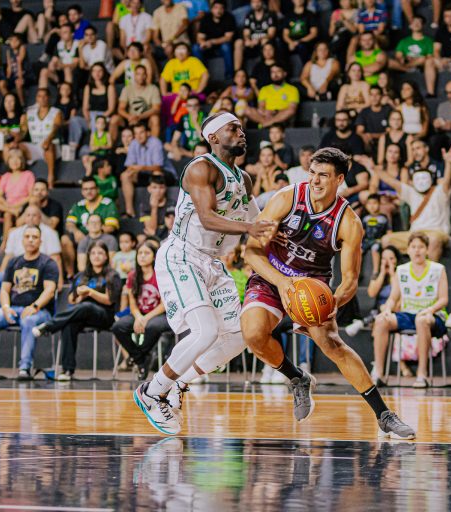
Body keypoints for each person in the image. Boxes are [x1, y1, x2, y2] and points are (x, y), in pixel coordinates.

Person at [238, 146, 415, 440]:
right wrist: (282, 282)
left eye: (323, 175)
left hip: (312, 283)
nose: (315, 180)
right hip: (272, 275)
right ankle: (297, 378)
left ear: (339, 179)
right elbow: (252, 252)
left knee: (332, 344)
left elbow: (350, 279)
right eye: (312, 173)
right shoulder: (287, 198)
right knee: (253, 334)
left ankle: (384, 415)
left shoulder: (349, 222)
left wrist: (335, 301)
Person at [133, 112, 274, 436]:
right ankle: (152, 391)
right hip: (183, 256)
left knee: (240, 336)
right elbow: (208, 218)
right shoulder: (201, 167)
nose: (241, 133)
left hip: (213, 262)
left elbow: (259, 221)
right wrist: (249, 228)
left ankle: (179, 382)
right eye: (233, 128)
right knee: (205, 331)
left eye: (241, 128)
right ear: (213, 137)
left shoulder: (244, 178)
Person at [0, 225, 58, 380]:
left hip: (40, 312)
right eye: (27, 237)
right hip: (14, 309)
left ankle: (24, 368)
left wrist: (35, 306)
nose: (31, 240)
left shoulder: (48, 263)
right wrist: (5, 307)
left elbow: (50, 291)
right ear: (22, 240)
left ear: (40, 241)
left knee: (28, 320)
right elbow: (4, 290)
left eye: (35, 237)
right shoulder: (14, 262)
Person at [32, 240, 120, 381]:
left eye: (100, 253)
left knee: (87, 306)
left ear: (106, 257)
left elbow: (110, 300)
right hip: (82, 313)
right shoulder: (81, 276)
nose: (96, 256)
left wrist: (90, 292)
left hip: (104, 316)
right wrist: (78, 295)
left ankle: (49, 326)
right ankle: (67, 370)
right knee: (69, 324)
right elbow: (71, 300)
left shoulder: (112, 275)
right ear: (89, 256)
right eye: (93, 253)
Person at [371, 233, 448, 389]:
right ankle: (378, 374)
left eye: (421, 247)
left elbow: (444, 299)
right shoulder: (401, 270)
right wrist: (387, 309)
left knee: (421, 320)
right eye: (413, 247)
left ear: (427, 250)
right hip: (408, 314)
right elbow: (393, 298)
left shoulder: (438, 269)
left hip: (432, 315)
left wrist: (430, 309)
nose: (417, 250)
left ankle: (422, 374)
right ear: (408, 250)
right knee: (380, 320)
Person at [378, 148, 451, 262]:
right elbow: (392, 182)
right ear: (412, 181)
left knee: (433, 240)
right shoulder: (411, 193)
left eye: (424, 178)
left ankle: (430, 272)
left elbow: (447, 181)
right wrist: (372, 167)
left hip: (437, 232)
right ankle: (394, 271)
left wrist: (448, 163)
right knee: (386, 240)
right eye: (418, 178)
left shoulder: (440, 191)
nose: (421, 182)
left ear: (431, 179)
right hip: (415, 234)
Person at [111, 241, 170, 381]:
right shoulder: (132, 275)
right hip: (138, 313)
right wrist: (138, 317)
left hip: (159, 314)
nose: (142, 256)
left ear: (154, 256)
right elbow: (132, 303)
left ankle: (137, 358)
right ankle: (141, 359)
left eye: (146, 253)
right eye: (140, 253)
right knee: (118, 327)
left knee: (152, 326)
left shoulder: (161, 275)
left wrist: (145, 318)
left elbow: (164, 305)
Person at [62, 177, 119, 277]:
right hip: (82, 238)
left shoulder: (107, 203)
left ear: (97, 189)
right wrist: (76, 231)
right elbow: (69, 224)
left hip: (102, 238)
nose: (89, 191)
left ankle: (105, 275)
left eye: (92, 188)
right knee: (64, 239)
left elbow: (111, 227)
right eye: (85, 189)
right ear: (82, 191)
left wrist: (93, 232)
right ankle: (71, 275)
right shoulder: (79, 205)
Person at [0, 149, 35, 248]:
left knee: (7, 215)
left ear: (22, 161)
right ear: (8, 161)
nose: (15, 161)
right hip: (8, 206)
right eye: (12, 158)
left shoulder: (28, 175)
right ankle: (11, 211)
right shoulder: (6, 176)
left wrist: (16, 205)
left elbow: (31, 195)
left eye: (18, 159)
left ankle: (4, 244)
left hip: (22, 206)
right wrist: (8, 206)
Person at [121, 122, 167, 218]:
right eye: (136, 133)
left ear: (147, 133)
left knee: (157, 173)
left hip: (163, 174)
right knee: (125, 175)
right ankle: (130, 212)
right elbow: (129, 165)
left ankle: (158, 208)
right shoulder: (134, 143)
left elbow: (158, 166)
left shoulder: (155, 142)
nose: (139, 136)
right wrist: (134, 169)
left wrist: (141, 167)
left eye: (141, 132)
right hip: (143, 174)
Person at [24, 88, 62, 188]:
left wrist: (48, 140)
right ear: (36, 98)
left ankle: (50, 178)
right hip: (35, 146)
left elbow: (56, 127)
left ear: (49, 98)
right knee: (18, 147)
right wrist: (14, 139)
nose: (42, 98)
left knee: (49, 146)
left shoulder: (56, 112)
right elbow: (23, 131)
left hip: (52, 146)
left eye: (45, 96)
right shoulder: (29, 112)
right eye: (39, 96)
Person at [245, 64, 299, 128]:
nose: (275, 74)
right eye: (273, 72)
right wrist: (266, 112)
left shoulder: (292, 89)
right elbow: (261, 107)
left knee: (290, 111)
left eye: (278, 71)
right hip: (266, 115)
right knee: (247, 110)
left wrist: (274, 111)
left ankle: (267, 124)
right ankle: (269, 123)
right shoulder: (264, 89)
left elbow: (292, 108)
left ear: (285, 73)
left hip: (281, 116)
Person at [118, 65, 161, 137]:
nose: (141, 77)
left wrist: (140, 117)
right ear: (134, 76)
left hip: (147, 118)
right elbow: (120, 109)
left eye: (143, 74)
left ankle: (154, 143)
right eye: (138, 74)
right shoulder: (127, 89)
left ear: (146, 76)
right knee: (114, 120)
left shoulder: (153, 89)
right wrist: (129, 117)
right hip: (130, 117)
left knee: (155, 118)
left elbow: (156, 109)